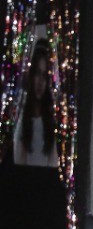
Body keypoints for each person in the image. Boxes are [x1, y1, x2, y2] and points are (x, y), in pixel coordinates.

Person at [15, 39, 55, 167]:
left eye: (44, 76)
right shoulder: (22, 117)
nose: (40, 82)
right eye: (38, 73)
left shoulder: (51, 120)